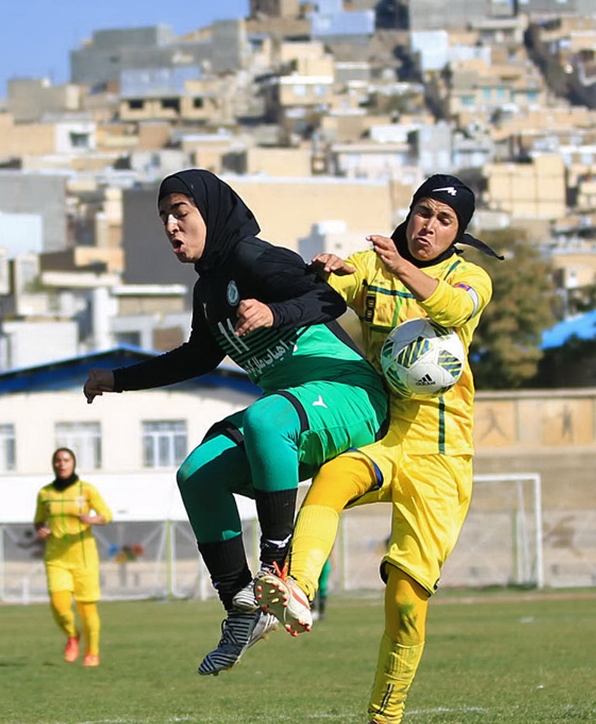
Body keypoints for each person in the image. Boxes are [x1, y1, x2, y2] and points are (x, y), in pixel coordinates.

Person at [82, 169, 388, 676]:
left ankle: (278, 568)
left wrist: (273, 312)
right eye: (164, 218)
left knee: (266, 416)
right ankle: (241, 607)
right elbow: (196, 359)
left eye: (181, 213)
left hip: (350, 396)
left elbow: (329, 299)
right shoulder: (207, 293)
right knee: (197, 472)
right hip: (294, 414)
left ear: (212, 211)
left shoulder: (257, 257)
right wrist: (116, 379)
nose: (171, 227)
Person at [257, 174, 499, 724]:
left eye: (444, 220)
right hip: (388, 438)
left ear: (458, 232)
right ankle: (298, 589)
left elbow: (448, 308)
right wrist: (328, 268)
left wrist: (400, 267)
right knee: (333, 479)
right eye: (423, 212)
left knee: (406, 602)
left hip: (442, 460)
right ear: (409, 212)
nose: (428, 226)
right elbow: (333, 286)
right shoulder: (375, 263)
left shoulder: (472, 279)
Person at [34, 447, 112, 667]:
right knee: (59, 605)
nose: (62, 463)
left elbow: (107, 514)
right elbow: (39, 520)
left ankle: (92, 653)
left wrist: (92, 519)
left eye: (66, 460)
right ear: (53, 464)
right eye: (58, 460)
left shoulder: (86, 490)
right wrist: (40, 529)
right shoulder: (45, 493)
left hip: (84, 556)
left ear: (73, 463)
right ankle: (71, 635)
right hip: (56, 556)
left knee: (87, 608)